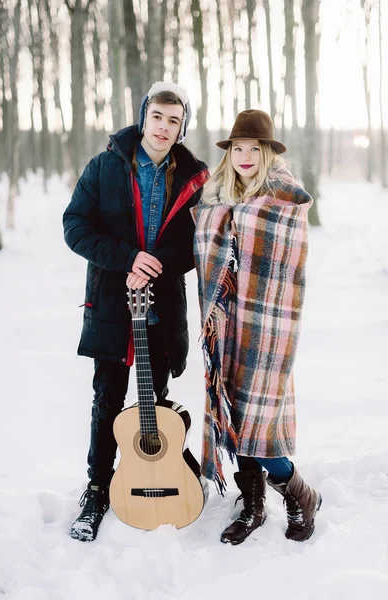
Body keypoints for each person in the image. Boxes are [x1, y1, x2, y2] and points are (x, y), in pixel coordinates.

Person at [63, 82, 209, 542]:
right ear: (143, 116)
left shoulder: (194, 176)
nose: (164, 127)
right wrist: (126, 258)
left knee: (156, 403)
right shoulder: (105, 166)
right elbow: (75, 226)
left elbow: (197, 243)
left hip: (162, 304)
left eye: (174, 120)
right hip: (111, 300)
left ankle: (158, 480)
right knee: (107, 399)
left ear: (183, 127)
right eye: (158, 116)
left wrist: (155, 265)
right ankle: (97, 488)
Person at [192, 109, 321, 545]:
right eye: (238, 149)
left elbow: (287, 263)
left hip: (266, 325)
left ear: (266, 153)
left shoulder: (284, 198)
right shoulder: (215, 197)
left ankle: (301, 494)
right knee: (234, 411)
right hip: (225, 324)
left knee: (259, 418)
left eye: (254, 149)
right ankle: (252, 504)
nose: (245, 156)